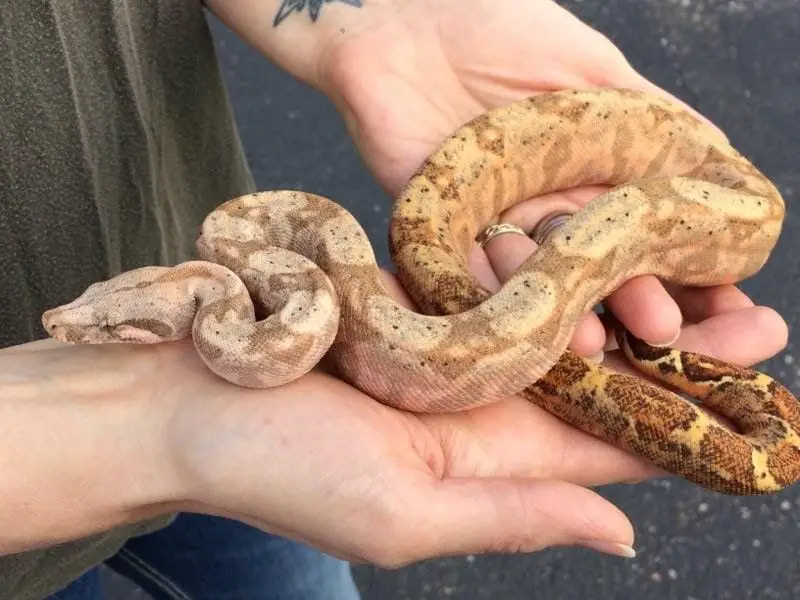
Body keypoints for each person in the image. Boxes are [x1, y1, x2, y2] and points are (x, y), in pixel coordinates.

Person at [0, 0, 788, 599]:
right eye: (101, 322)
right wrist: (110, 432)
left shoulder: (240, 250)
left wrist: (379, 20)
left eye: (100, 317)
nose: (77, 321)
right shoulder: (254, 300)